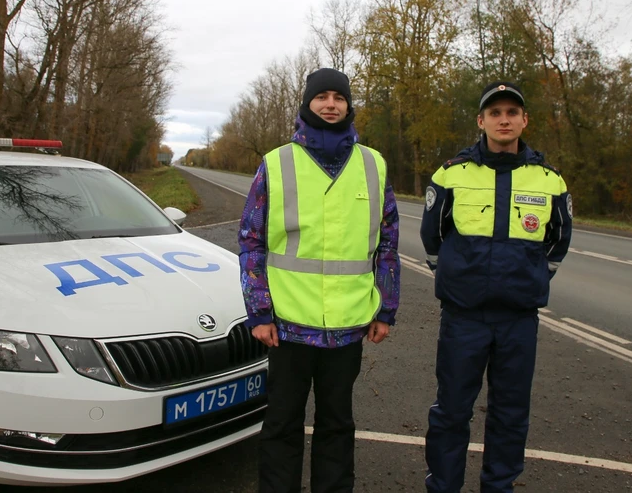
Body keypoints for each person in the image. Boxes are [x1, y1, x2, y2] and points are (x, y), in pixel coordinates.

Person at [239, 67, 401, 493]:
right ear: (307, 104)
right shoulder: (276, 164)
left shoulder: (374, 165)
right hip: (288, 327)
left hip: (347, 328)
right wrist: (259, 311)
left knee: (337, 426)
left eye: (339, 98)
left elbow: (387, 244)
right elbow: (251, 241)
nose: (331, 104)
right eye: (321, 97)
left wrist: (385, 307)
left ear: (349, 106)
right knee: (281, 426)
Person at [421, 81, 572, 493]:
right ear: (481, 121)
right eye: (495, 113)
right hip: (463, 318)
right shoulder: (451, 174)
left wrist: (531, 278)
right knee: (452, 412)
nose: (503, 120)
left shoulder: (549, 180)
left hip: (518, 320)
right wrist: (457, 280)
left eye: (511, 113)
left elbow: (559, 241)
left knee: (509, 415)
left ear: (524, 120)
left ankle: (498, 487)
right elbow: (433, 238)